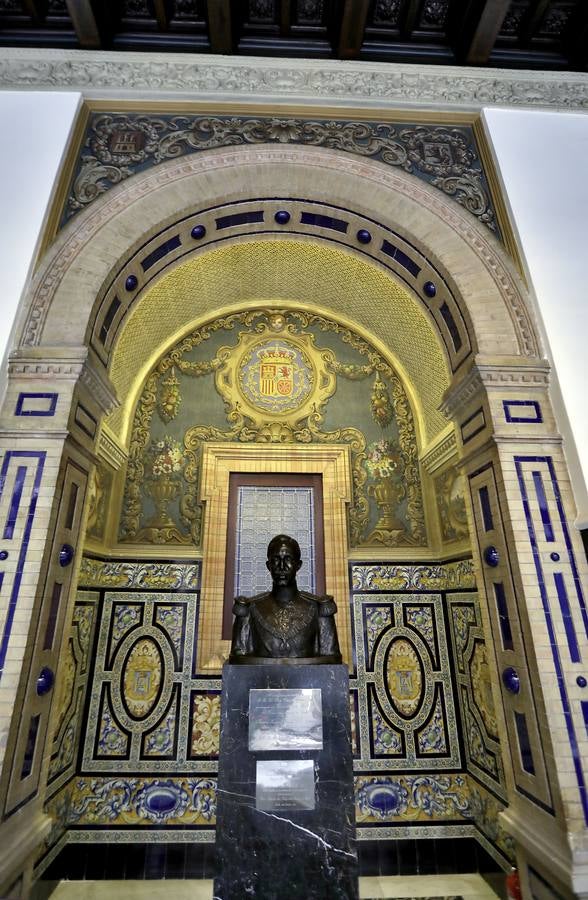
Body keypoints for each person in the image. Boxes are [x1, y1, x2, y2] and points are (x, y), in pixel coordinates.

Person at [229, 534, 342, 662]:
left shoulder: (319, 609)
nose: (282, 567)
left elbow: (331, 662)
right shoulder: (249, 610)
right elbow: (239, 661)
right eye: (276, 560)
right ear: (268, 565)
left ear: (298, 565)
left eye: (288, 559)